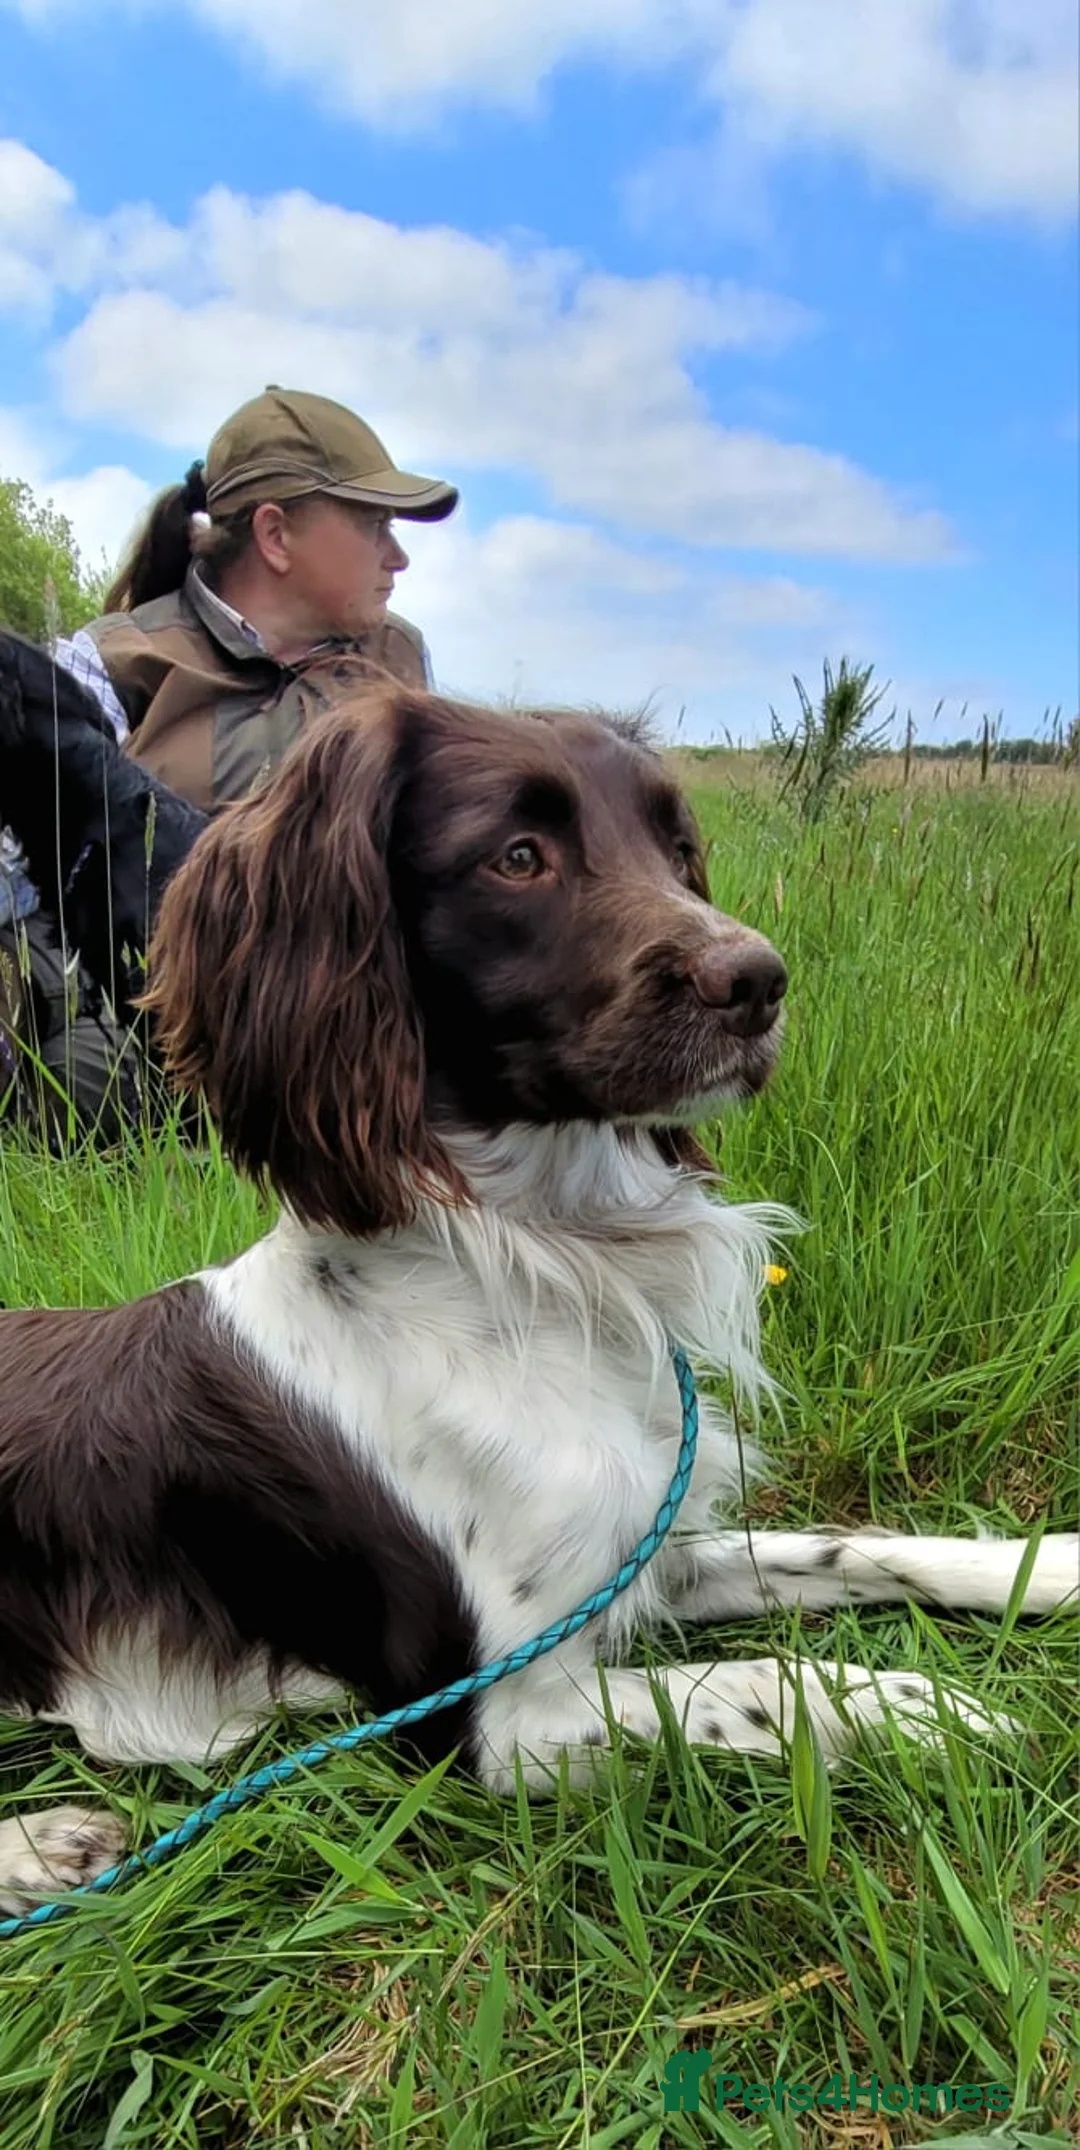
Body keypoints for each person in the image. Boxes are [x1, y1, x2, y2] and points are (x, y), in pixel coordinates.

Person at [0, 385, 458, 1140]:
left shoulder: (401, 662)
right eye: (375, 523)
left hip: (341, 1011)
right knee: (76, 1063)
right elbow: (20, 886)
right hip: (141, 1000)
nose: (397, 555)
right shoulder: (112, 661)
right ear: (276, 536)